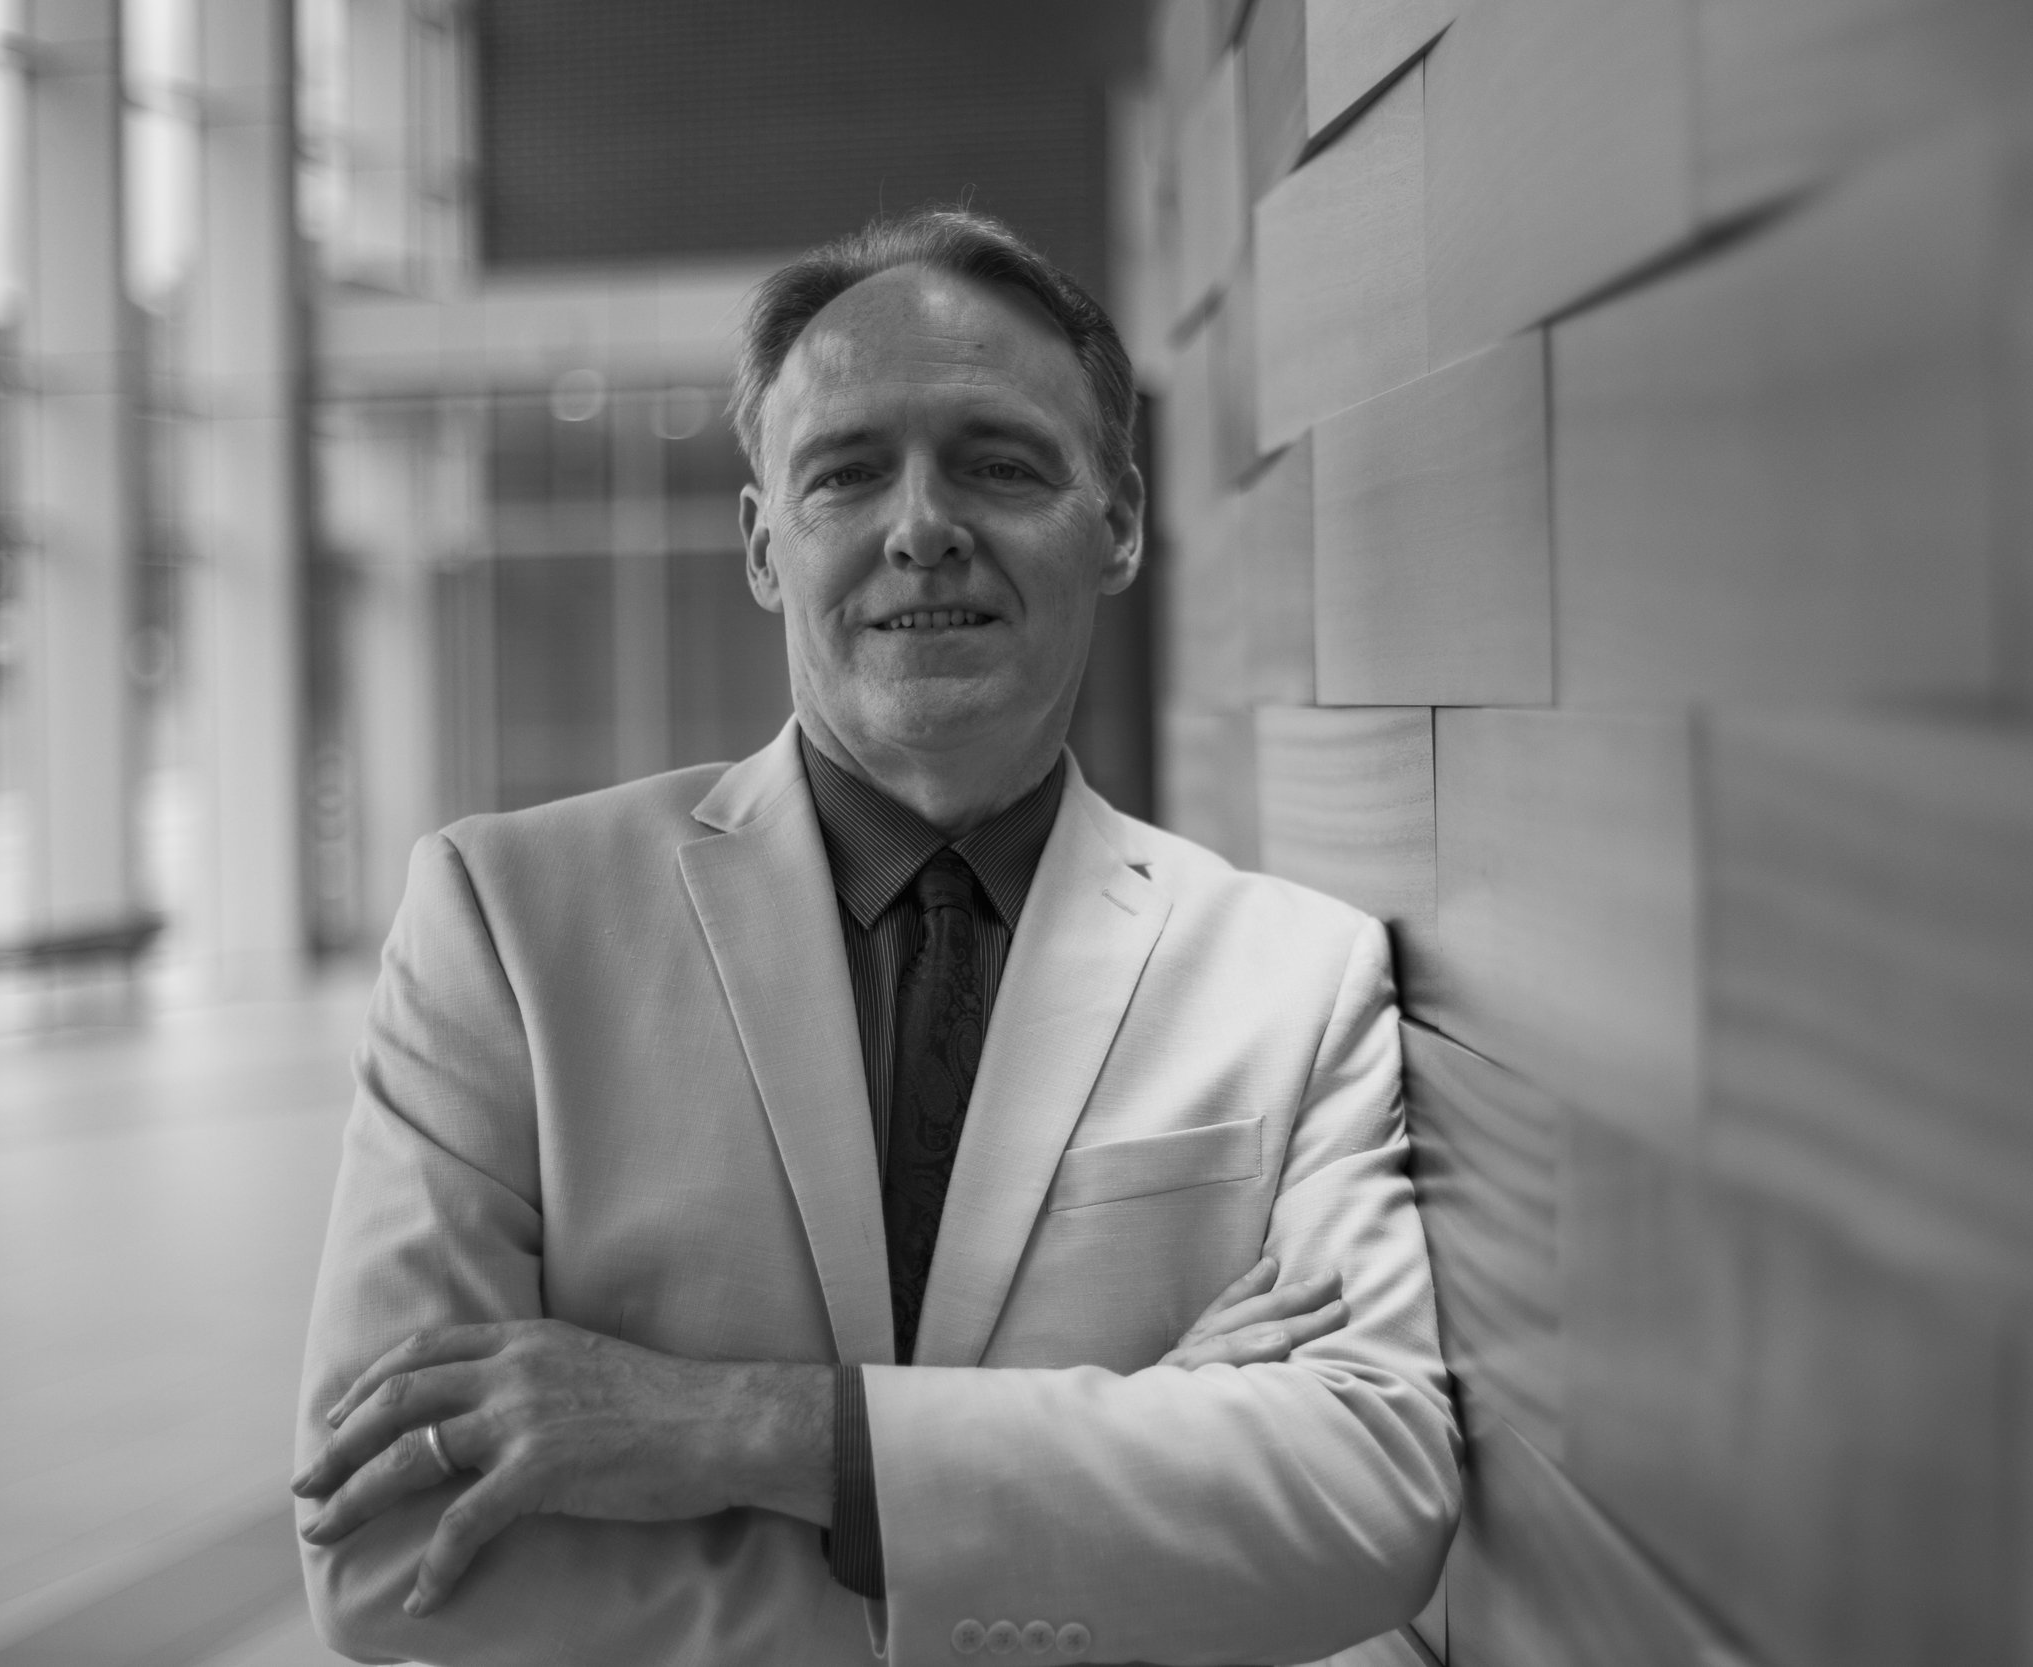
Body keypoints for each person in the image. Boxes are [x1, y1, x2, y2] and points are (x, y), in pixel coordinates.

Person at [291, 208, 1460, 1666]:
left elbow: (1368, 1495)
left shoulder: (1297, 977)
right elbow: (389, 1548)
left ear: (1119, 524)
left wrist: (747, 1428)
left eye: (1000, 464)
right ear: (763, 543)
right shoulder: (507, 925)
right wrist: (1119, 1465)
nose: (922, 530)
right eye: (847, 471)